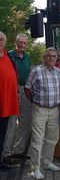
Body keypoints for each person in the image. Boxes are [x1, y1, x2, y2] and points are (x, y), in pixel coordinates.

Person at [25, 47, 60, 179]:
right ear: (44, 57)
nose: (51, 58)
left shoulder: (58, 72)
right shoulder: (36, 71)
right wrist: (35, 102)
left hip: (55, 110)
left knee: (52, 138)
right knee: (37, 140)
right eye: (49, 56)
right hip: (39, 109)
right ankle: (35, 168)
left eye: (54, 56)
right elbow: (27, 88)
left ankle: (47, 162)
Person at [2, 34, 31, 166]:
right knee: (11, 123)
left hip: (24, 90)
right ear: (15, 43)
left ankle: (19, 151)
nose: (22, 45)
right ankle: (6, 153)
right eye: (20, 42)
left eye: (24, 43)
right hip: (12, 91)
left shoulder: (28, 56)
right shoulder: (9, 56)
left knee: (25, 122)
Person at [0, 31, 20, 171]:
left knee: (2, 134)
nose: (0, 41)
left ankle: (1, 161)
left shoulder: (8, 57)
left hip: (7, 104)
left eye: (1, 39)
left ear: (5, 42)